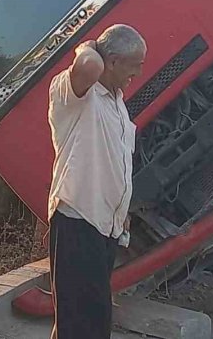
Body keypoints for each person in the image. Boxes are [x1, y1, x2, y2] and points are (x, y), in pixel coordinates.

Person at [47, 24, 147, 339]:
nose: (138, 73)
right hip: (78, 220)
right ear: (112, 61)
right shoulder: (75, 95)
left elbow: (115, 160)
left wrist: (121, 210)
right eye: (134, 65)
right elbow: (89, 65)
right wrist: (86, 45)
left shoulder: (115, 101)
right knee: (83, 324)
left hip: (105, 225)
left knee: (83, 319)